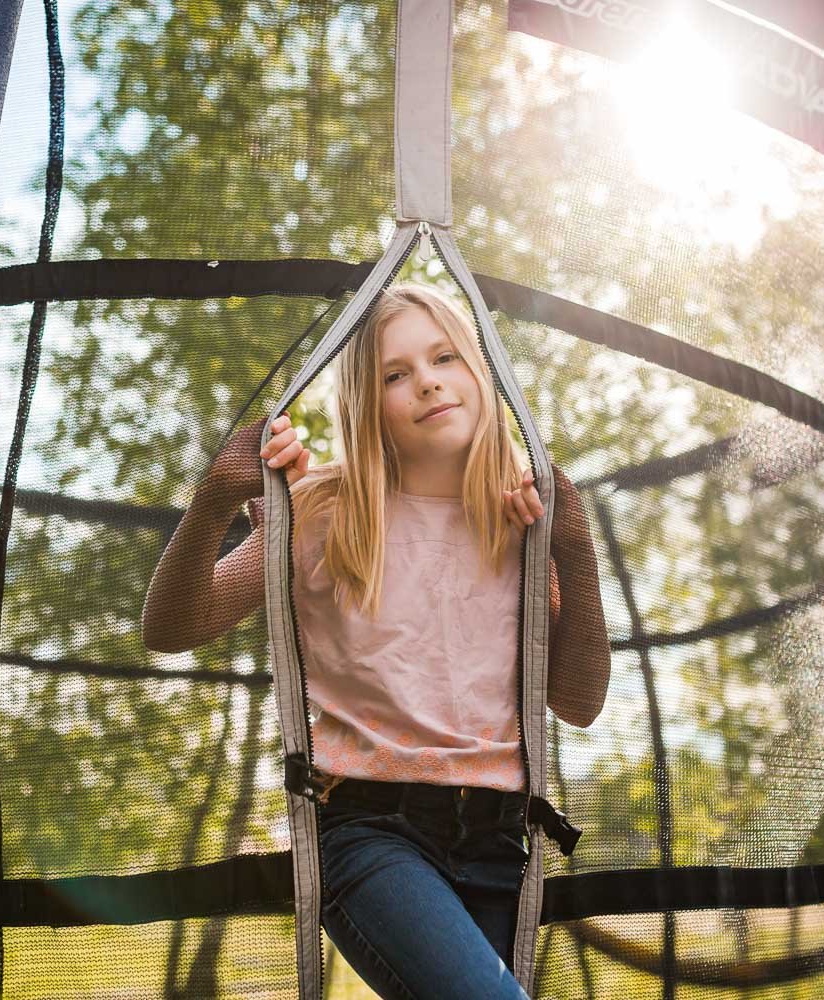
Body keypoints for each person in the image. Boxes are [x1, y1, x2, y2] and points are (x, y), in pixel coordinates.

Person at [141, 282, 610, 999]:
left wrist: (573, 551)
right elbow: (172, 629)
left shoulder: (521, 522)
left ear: (481, 375)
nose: (427, 381)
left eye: (445, 357)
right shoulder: (325, 510)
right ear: (369, 403)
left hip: (496, 844)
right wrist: (211, 506)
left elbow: (577, 703)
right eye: (396, 374)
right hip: (370, 835)